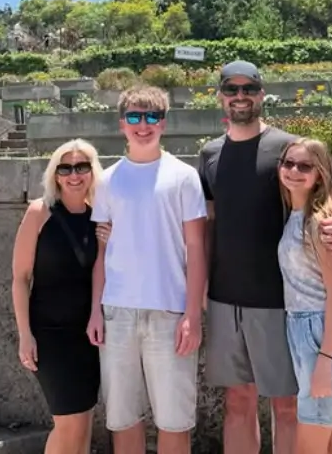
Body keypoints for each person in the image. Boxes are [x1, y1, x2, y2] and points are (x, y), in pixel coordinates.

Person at [198, 60, 332, 454]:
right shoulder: (209, 154)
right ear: (221, 95)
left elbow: (323, 193)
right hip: (224, 301)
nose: (240, 96)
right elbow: (207, 225)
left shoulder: (286, 149)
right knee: (237, 403)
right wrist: (201, 289)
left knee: (287, 406)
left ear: (261, 94)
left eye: (248, 89)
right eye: (232, 89)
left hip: (277, 303)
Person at [86, 85, 207, 454]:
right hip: (117, 312)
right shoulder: (106, 179)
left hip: (170, 313)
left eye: (151, 116)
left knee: (174, 420)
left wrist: (193, 314)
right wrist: (95, 310)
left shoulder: (184, 176)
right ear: (122, 124)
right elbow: (102, 252)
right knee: (122, 419)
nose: (143, 125)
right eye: (135, 117)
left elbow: (197, 247)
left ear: (163, 123)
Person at [11, 139, 110, 454]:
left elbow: (99, 270)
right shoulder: (40, 212)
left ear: (93, 172)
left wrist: (107, 244)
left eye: (82, 167)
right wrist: (25, 335)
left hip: (86, 334)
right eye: (65, 168)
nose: (74, 175)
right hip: (50, 335)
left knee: (83, 423)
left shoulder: (99, 217)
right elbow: (20, 278)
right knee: (68, 424)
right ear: (55, 174)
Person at [277, 137, 332, 454]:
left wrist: (324, 360)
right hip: (301, 330)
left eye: (305, 166)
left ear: (319, 174)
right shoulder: (297, 215)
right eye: (288, 163)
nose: (294, 170)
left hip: (320, 334)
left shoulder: (321, 223)